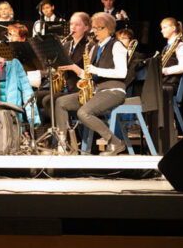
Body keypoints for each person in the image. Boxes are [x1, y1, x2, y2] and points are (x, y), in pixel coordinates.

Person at [55, 13, 128, 156]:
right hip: (98, 91)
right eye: (94, 28)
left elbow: (122, 73)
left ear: (108, 29)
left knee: (84, 113)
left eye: (98, 28)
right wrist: (75, 69)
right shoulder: (95, 48)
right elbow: (89, 74)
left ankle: (115, 142)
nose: (94, 31)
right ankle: (63, 144)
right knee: (60, 102)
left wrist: (96, 70)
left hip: (114, 90)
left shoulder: (116, 45)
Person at [37, 12, 90, 124]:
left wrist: (74, 68)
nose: (73, 27)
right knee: (35, 97)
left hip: (78, 89)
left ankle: (62, 134)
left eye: (77, 25)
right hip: (65, 87)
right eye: (71, 24)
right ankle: (43, 129)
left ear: (86, 27)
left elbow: (89, 71)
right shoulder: (66, 45)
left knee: (48, 100)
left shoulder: (89, 46)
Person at [157, 17, 183, 149]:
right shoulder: (167, 47)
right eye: (162, 28)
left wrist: (164, 70)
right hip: (165, 83)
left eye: (164, 27)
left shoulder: (180, 45)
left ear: (173, 28)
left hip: (172, 85)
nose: (161, 31)